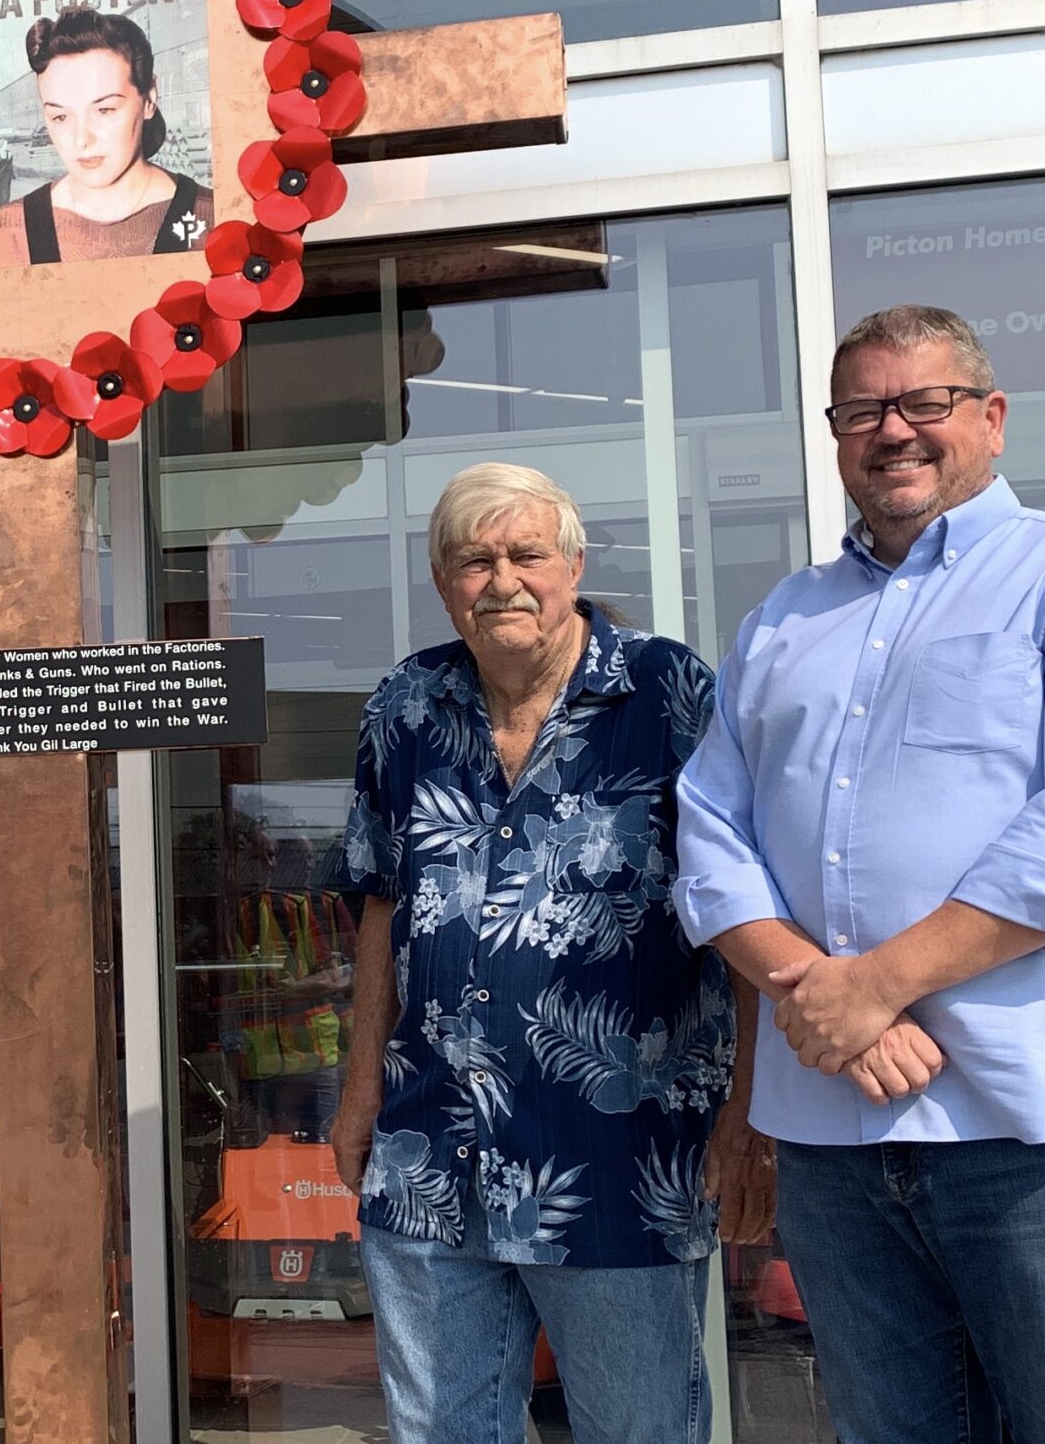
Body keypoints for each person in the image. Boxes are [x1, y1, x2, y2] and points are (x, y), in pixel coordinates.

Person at [672, 304, 1045, 1444]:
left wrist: (872, 987)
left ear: (992, 419)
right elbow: (711, 836)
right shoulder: (783, 620)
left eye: (926, 403)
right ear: (834, 435)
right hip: (834, 1141)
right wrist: (827, 996)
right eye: (863, 409)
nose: (895, 432)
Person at [330, 462, 771, 1444]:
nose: (500, 580)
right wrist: (359, 1094)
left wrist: (751, 1119)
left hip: (619, 1162)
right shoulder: (404, 707)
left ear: (570, 563)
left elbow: (744, 905)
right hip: (429, 1155)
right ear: (444, 584)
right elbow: (376, 907)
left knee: (638, 1430)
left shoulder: (666, 692)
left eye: (525, 553)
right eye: (472, 560)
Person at [0, 5, 212, 268]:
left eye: (104, 110)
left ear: (148, 99)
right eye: (61, 117)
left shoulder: (217, 219)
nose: (81, 140)